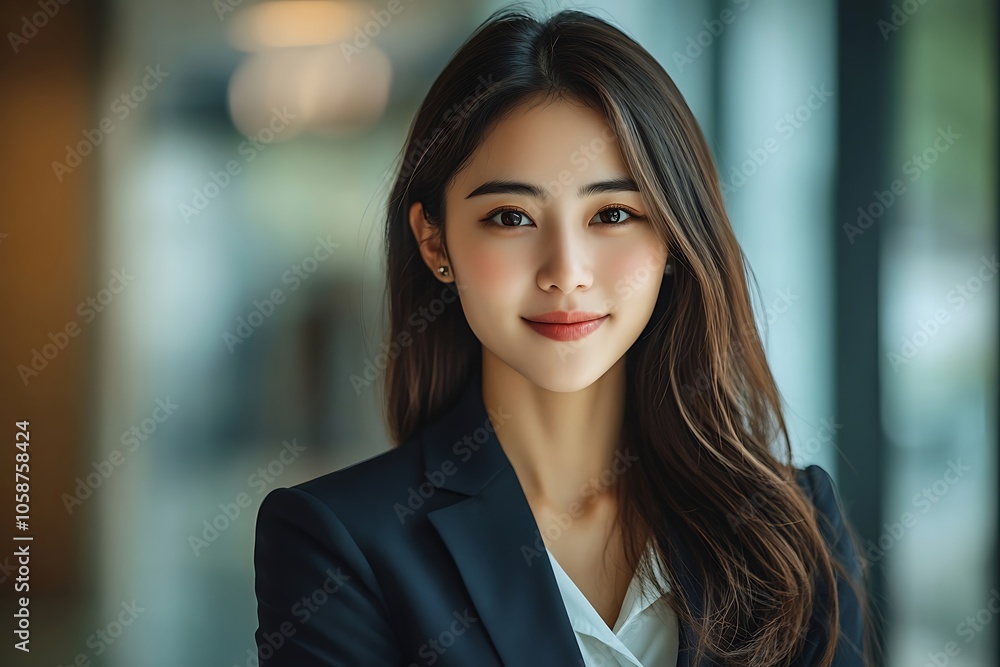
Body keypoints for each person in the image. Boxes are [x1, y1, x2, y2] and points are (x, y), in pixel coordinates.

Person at [253, 6, 874, 666]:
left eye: (612, 213)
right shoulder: (340, 541)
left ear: (672, 237)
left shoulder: (791, 526)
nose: (566, 273)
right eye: (511, 217)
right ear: (435, 241)